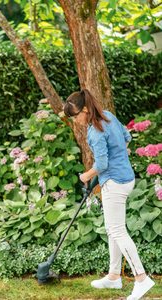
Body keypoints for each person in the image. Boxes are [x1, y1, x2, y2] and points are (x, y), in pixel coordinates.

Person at [63, 89, 155, 300]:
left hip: (114, 182)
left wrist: (86, 175)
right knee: (112, 228)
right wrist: (118, 158)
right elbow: (127, 138)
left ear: (85, 110)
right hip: (126, 177)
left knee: (117, 230)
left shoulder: (94, 132)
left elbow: (102, 164)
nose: (76, 121)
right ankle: (114, 276)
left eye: (76, 116)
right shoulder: (109, 116)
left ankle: (141, 279)